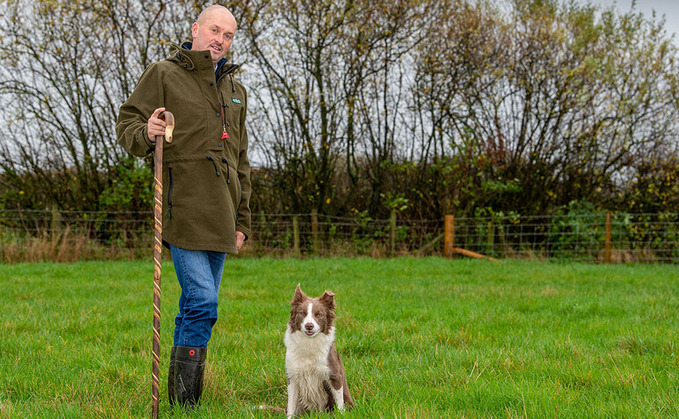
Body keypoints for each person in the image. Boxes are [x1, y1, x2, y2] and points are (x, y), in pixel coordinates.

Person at [116, 5, 251, 408]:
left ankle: (181, 400)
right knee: (203, 301)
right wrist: (148, 130)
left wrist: (242, 221)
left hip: (223, 216)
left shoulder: (236, 90)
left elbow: (240, 160)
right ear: (196, 29)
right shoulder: (164, 74)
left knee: (196, 306)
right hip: (183, 210)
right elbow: (128, 124)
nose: (220, 40)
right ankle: (187, 403)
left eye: (227, 35)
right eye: (214, 30)